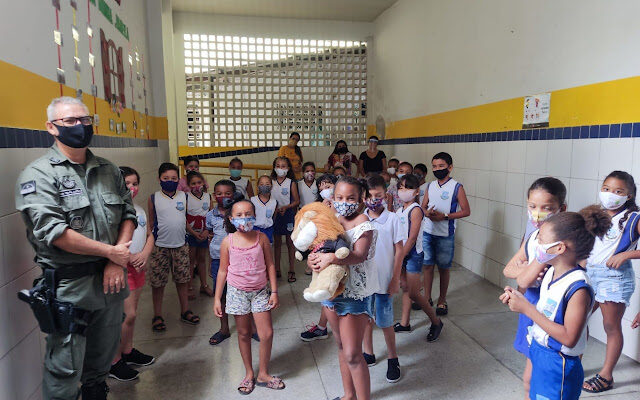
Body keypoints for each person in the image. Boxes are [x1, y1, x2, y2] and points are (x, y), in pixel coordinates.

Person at [16, 96, 136, 399]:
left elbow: (128, 214)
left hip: (110, 283)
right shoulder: (39, 174)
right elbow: (55, 233)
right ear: (51, 127)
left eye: (84, 120)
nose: (80, 126)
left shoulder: (108, 169)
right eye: (70, 121)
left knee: (100, 367)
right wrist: (111, 253)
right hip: (71, 288)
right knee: (65, 372)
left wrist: (115, 260)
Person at [501, 207, 611, 400]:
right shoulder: (551, 271)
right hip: (540, 353)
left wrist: (527, 309)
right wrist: (516, 297)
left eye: (541, 240)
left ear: (559, 247)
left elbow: (569, 338)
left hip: (558, 364)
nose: (537, 243)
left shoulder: (578, 288)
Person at [307, 176, 377, 400]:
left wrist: (331, 259)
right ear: (332, 197)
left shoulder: (363, 223)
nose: (344, 202)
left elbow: (359, 256)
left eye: (350, 198)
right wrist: (313, 259)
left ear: (361, 199)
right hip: (331, 291)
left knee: (354, 354)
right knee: (340, 346)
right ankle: (349, 396)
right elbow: (319, 247)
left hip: (353, 296)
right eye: (339, 197)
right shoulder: (331, 220)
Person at [502, 177, 567, 397]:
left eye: (546, 208)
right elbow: (509, 270)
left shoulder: (567, 243)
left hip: (552, 313)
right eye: (532, 206)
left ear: (562, 209)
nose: (537, 213)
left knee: (549, 380)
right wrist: (527, 271)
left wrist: (525, 272)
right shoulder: (532, 237)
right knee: (529, 378)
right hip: (530, 306)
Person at [214, 199, 284, 394]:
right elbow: (222, 271)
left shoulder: (261, 238)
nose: (244, 218)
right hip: (237, 293)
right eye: (239, 215)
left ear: (255, 215)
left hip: (260, 291)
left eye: (248, 214)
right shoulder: (228, 242)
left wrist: (275, 291)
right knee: (244, 333)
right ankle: (249, 373)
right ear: (231, 218)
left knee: (267, 333)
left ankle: (263, 373)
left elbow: (270, 264)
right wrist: (217, 298)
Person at [583, 171, 640, 393]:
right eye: (606, 189)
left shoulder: (634, 218)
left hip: (615, 279)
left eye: (618, 191)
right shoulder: (596, 215)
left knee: (610, 326)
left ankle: (606, 376)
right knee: (578, 320)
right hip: (590, 274)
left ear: (629, 195)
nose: (610, 195)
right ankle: (572, 362)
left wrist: (627, 254)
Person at [109, 167, 156, 381]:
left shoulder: (138, 209)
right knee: (125, 316)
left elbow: (149, 235)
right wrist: (129, 258)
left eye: (135, 183)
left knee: (132, 315)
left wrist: (145, 254)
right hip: (121, 268)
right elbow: (109, 243)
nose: (132, 188)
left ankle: (127, 351)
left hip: (139, 266)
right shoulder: (112, 211)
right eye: (127, 183)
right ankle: (114, 361)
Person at [362, 174, 406, 383]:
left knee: (385, 322)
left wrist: (395, 278)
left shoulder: (393, 219)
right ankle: (368, 353)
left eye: (377, 195)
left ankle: (392, 357)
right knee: (365, 319)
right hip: (363, 283)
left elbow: (399, 250)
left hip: (384, 281)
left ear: (385, 194)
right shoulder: (360, 219)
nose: (373, 199)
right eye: (369, 195)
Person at [148, 163, 200, 332]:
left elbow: (184, 219)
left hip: (180, 245)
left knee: (183, 280)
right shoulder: (153, 198)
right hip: (159, 247)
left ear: (178, 180)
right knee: (158, 283)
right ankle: (157, 314)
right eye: (166, 178)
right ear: (159, 179)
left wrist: (193, 233)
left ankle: (185, 311)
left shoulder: (184, 197)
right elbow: (151, 222)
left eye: (173, 178)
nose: (170, 181)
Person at [393, 175, 444, 342]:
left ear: (416, 192)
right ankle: (405, 323)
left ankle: (436, 321)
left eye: (407, 188)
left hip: (413, 254)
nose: (403, 191)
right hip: (402, 253)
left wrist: (400, 257)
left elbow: (412, 238)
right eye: (400, 187)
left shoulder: (416, 210)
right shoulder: (399, 210)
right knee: (406, 288)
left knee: (414, 292)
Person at [420, 152, 470, 316]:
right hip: (428, 232)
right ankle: (426, 298)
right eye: (434, 166)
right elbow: (423, 206)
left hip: (445, 234)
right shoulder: (430, 186)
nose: (437, 169)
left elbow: (466, 211)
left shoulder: (457, 187)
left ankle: (442, 300)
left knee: (443, 268)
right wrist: (426, 213)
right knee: (427, 266)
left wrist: (445, 217)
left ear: (450, 167)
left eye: (441, 166)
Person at [299, 174, 338, 339]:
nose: (324, 191)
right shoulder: (320, 206)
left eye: (327, 186)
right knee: (326, 293)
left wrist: (333, 209)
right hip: (325, 252)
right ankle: (322, 327)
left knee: (330, 294)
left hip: (339, 253)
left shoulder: (344, 205)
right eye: (321, 189)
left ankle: (339, 334)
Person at [206, 179, 236, 345]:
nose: (223, 196)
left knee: (243, 293)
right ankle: (224, 328)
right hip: (218, 260)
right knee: (222, 294)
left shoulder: (238, 213)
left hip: (238, 260)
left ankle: (250, 328)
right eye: (219, 194)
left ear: (234, 195)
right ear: (214, 196)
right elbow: (210, 237)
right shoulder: (210, 215)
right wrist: (211, 261)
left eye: (227, 193)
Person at [271, 156, 301, 283]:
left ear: (288, 168)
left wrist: (286, 207)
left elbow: (297, 201)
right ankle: (277, 269)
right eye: (278, 166)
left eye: (283, 166)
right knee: (277, 243)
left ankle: (291, 269)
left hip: (288, 214)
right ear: (274, 167)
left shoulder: (291, 182)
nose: (280, 169)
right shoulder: (270, 182)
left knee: (290, 243)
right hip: (275, 215)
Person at [185, 171, 213, 299]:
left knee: (202, 258)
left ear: (203, 183)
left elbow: (211, 215)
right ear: (189, 185)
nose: (197, 185)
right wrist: (193, 232)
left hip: (203, 232)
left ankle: (204, 285)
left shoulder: (208, 197)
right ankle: (189, 287)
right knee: (191, 260)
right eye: (193, 183)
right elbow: (183, 216)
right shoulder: (186, 197)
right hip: (191, 233)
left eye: (199, 182)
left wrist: (207, 230)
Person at [251, 175, 277, 244]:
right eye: (261, 184)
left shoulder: (274, 202)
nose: (264, 186)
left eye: (267, 184)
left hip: (268, 230)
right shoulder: (253, 200)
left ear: (271, 187)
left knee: (267, 250)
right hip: (255, 229)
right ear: (257, 186)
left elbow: (274, 217)